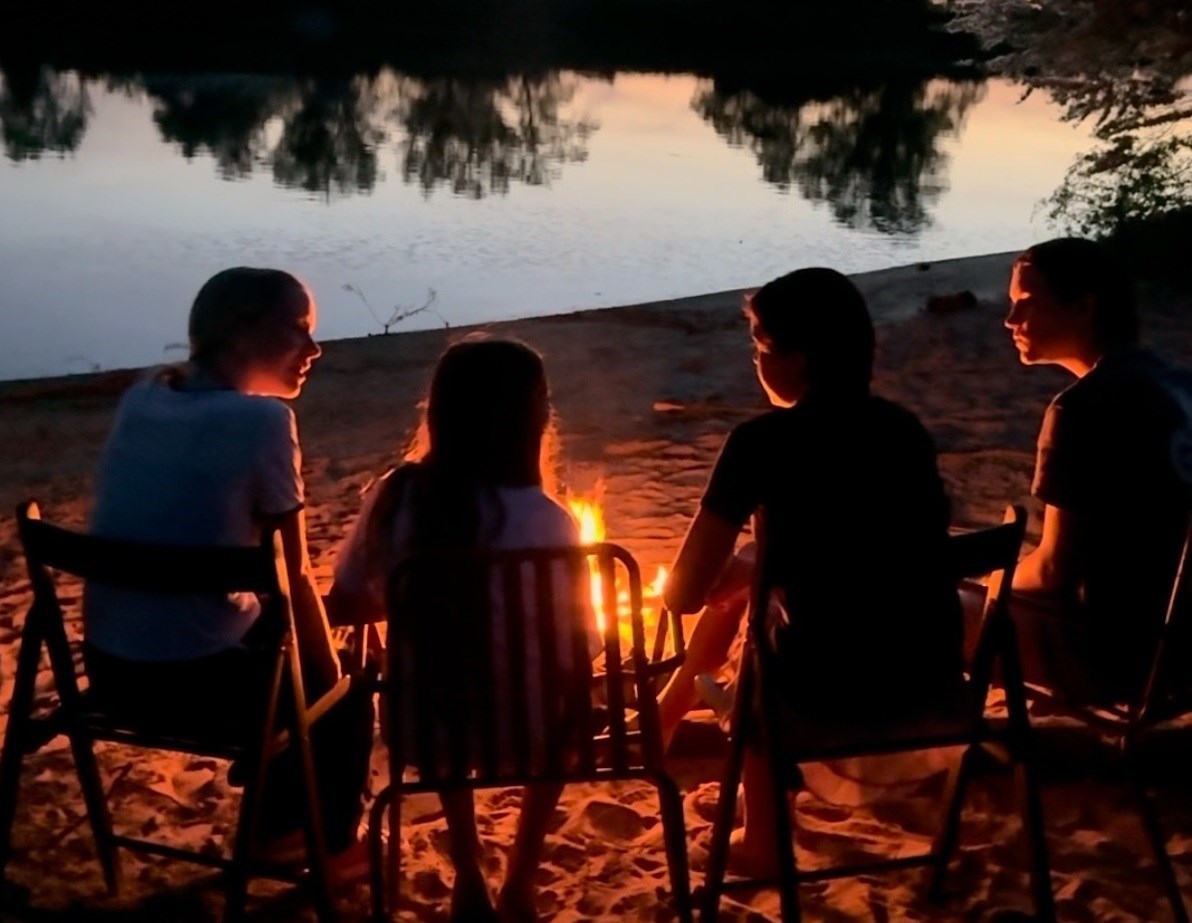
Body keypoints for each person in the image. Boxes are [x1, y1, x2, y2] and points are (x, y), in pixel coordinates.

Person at [658, 267, 964, 871]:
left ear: (795, 358)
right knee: (782, 610)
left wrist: (745, 571)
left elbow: (685, 593)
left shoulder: (760, 443)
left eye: (759, 347)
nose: (755, 362)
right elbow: (866, 546)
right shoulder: (904, 432)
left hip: (823, 700)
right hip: (929, 687)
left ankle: (762, 842)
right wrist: (760, 562)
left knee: (764, 643)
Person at [84, 267, 374, 875]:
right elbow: (293, 577)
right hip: (192, 687)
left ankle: (275, 774)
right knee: (343, 697)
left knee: (263, 622)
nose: (314, 350)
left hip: (110, 675)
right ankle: (318, 842)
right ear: (240, 334)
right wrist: (332, 688)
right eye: (298, 330)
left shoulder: (141, 398)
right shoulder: (262, 422)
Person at [328, 336, 596, 923]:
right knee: (559, 697)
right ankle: (521, 880)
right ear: (531, 417)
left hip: (427, 730)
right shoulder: (550, 519)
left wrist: (414, 598)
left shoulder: (397, 500)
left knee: (441, 680)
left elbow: (344, 606)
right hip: (531, 735)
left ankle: (470, 870)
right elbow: (582, 640)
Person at [971, 237, 1192, 702]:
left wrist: (993, 583)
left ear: (1084, 307)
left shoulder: (1081, 409)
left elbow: (1055, 571)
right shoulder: (1180, 388)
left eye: (1026, 304)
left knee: (940, 610)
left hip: (1125, 660)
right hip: (1185, 648)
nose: (1010, 321)